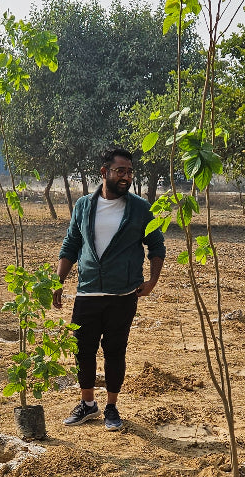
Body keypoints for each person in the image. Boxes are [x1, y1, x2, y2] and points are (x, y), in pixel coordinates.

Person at [53, 148, 166, 431]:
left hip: (122, 295)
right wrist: (58, 280)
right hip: (87, 291)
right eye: (120, 171)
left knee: (115, 350)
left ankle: (112, 407)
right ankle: (88, 404)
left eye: (130, 172)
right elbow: (71, 245)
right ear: (104, 172)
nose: (126, 177)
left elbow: (157, 246)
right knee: (82, 349)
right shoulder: (83, 206)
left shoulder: (140, 208)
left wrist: (151, 282)